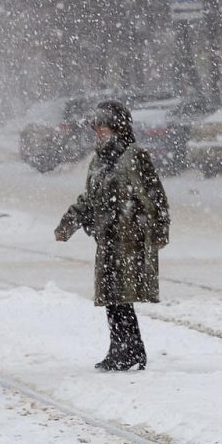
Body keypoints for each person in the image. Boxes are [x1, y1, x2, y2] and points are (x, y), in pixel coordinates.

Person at [54, 101, 170, 371]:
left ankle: (128, 349)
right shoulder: (99, 160)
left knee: (120, 295)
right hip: (107, 238)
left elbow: (155, 196)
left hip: (130, 237)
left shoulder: (134, 156)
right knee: (112, 297)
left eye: (103, 128)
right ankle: (125, 348)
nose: (99, 133)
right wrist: (69, 223)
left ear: (119, 128)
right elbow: (90, 198)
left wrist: (159, 230)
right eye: (96, 129)